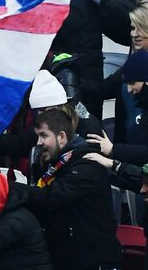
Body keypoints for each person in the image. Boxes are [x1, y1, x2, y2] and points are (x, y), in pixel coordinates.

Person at [21, 108, 120, 270]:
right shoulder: (56, 164)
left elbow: (52, 196)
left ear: (61, 137)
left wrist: (9, 189)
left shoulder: (86, 164)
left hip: (95, 262)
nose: (38, 143)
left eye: (43, 136)